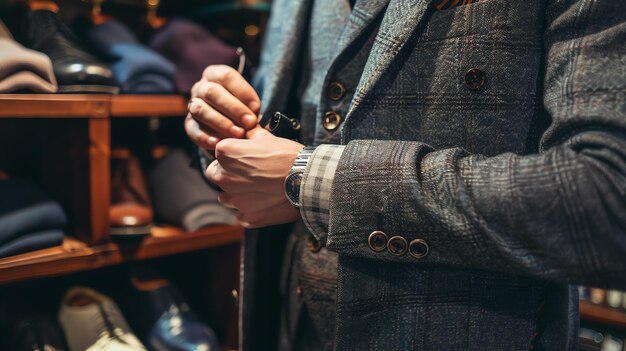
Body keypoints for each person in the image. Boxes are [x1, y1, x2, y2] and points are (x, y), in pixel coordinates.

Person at [185, 0, 626, 349]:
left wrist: (317, 180)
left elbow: (606, 199)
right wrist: (222, 128)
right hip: (286, 329)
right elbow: (290, 121)